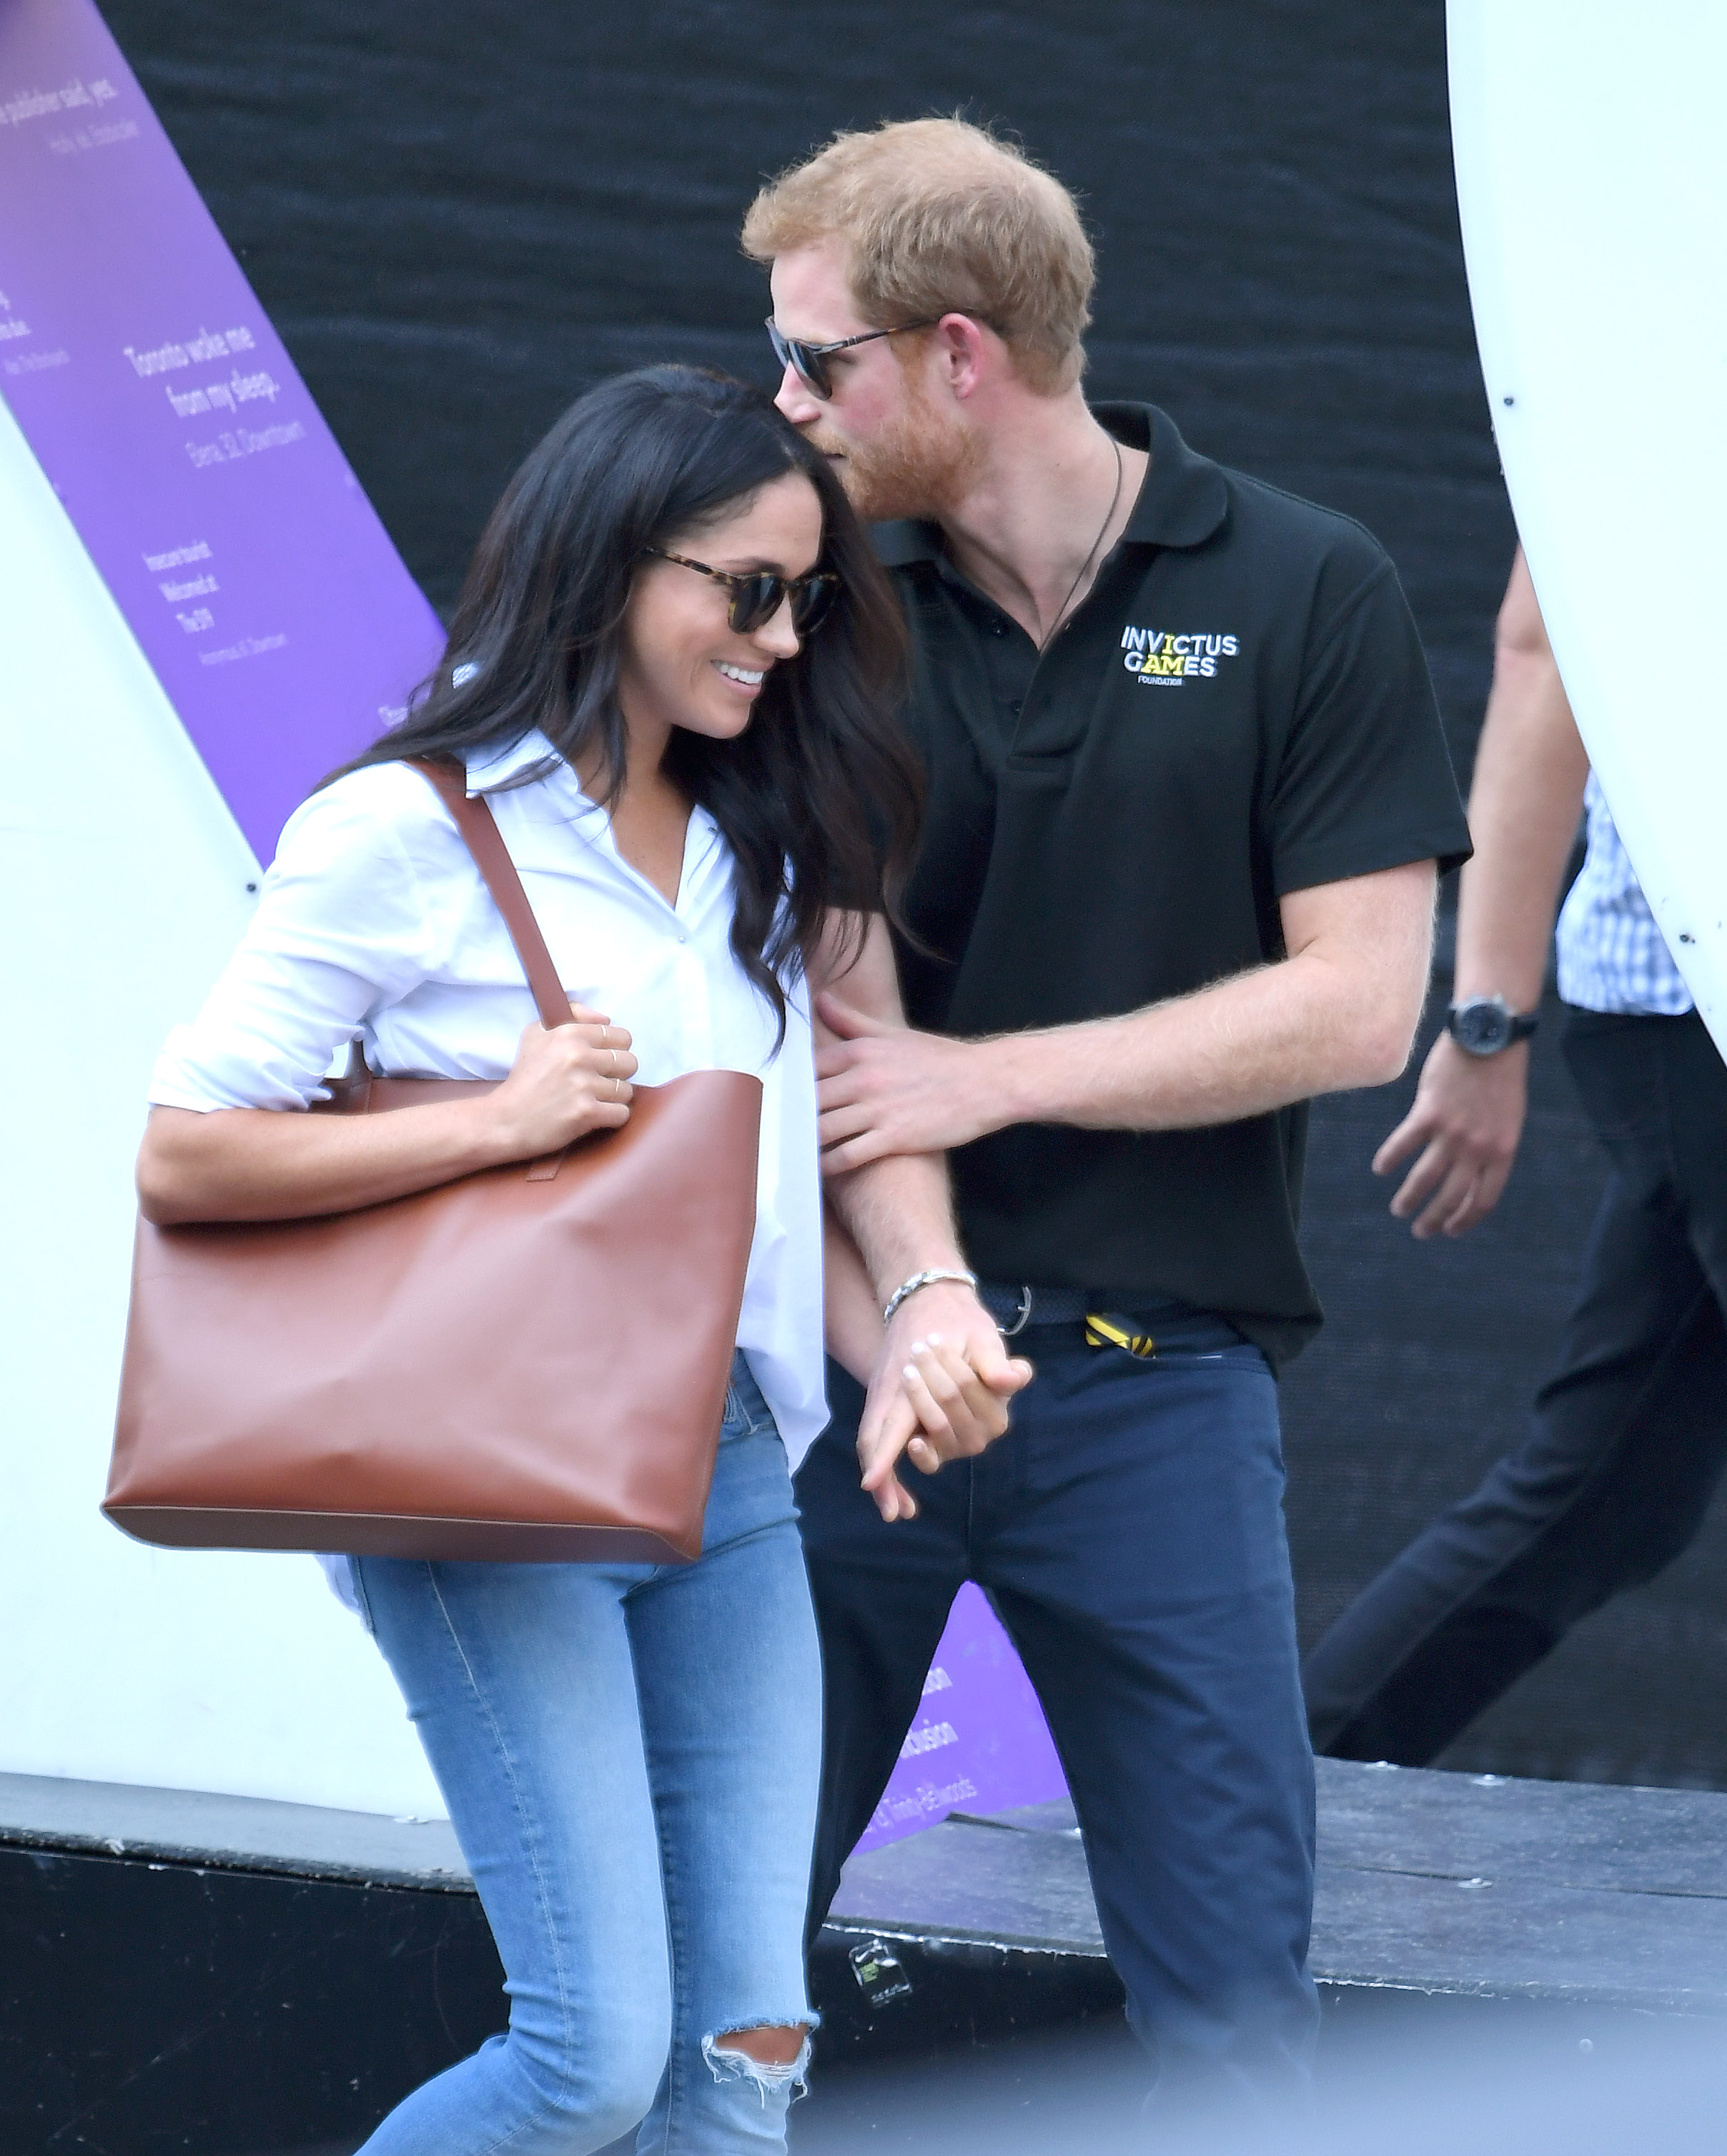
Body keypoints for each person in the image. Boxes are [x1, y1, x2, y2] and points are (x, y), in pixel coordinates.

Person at [132, 365, 1016, 2156]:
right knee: (589, 2060)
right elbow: (184, 1152)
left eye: (809, 596)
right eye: (742, 587)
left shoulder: (761, 842)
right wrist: (499, 1119)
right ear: (610, 563)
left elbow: (759, 1198)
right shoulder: (408, 829)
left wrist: (902, 1346)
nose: (780, 635)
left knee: (742, 2059)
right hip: (488, 1488)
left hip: (729, 1481)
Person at [739, 119, 1471, 2105]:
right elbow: (847, 1010)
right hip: (853, 1372)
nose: (783, 401)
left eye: (821, 362)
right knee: (704, 1975)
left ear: (959, 354)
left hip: (1160, 1388)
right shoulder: (826, 608)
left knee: (1237, 2021)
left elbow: (1359, 1008)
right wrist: (925, 1307)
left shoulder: (1306, 583)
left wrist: (996, 1077)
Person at [1302, 548, 1727, 1764]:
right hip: (1694, 1010)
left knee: (1607, 1494)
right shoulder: (1668, 369)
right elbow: (1546, 645)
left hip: (1674, 1021)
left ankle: (1275, 1804)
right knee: (1596, 1490)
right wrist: (1485, 1018)